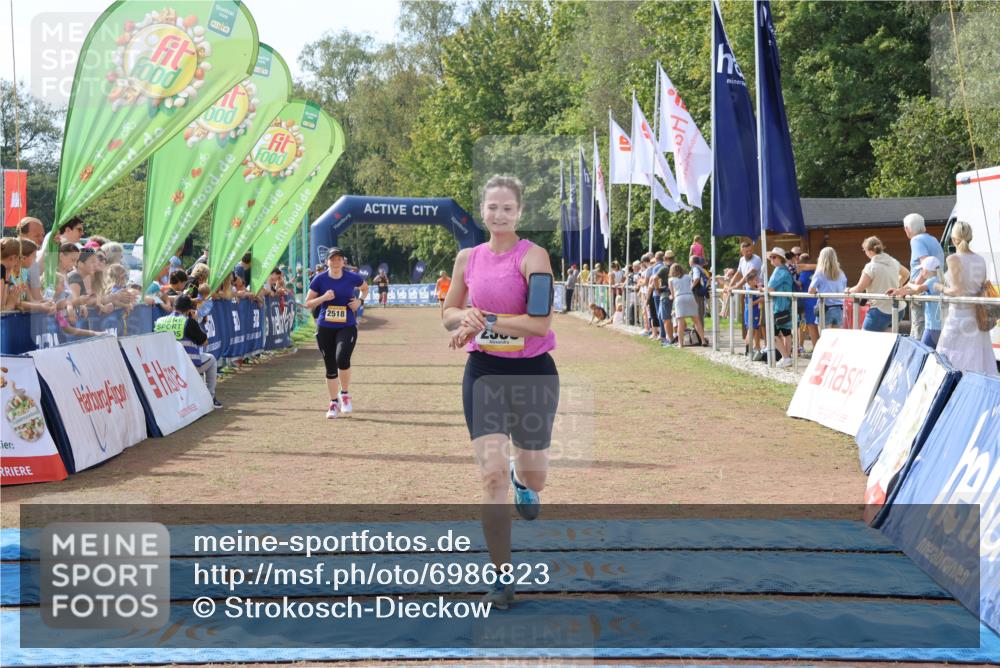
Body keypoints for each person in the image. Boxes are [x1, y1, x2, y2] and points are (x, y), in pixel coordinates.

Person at [441, 175, 557, 610]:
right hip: (484, 373)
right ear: (482, 210)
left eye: (508, 208)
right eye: (492, 207)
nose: (499, 214)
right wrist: (464, 320)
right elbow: (449, 313)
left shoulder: (535, 257)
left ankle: (522, 481)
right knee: (488, 476)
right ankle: (502, 578)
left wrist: (485, 319)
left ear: (519, 213)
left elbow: (539, 324)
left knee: (535, 475)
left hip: (533, 374)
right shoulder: (467, 258)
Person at [304, 247, 369, 418]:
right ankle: (333, 403)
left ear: (343, 262)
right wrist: (324, 298)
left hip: (346, 325)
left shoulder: (351, 277)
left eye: (339, 259)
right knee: (330, 365)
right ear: (327, 262)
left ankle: (345, 394)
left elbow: (365, 288)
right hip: (325, 326)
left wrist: (359, 301)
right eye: (332, 259)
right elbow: (308, 303)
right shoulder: (320, 279)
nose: (336, 262)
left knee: (342, 358)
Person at [932, 221, 997, 376]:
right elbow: (981, 287)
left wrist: (939, 287)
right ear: (970, 237)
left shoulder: (953, 259)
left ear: (953, 238)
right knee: (978, 360)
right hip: (978, 316)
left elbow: (957, 291)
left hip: (959, 317)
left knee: (950, 359)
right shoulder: (980, 259)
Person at [154, 294, 223, 408]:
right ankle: (210, 397)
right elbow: (204, 342)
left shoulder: (159, 321)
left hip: (164, 367)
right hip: (186, 365)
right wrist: (195, 321)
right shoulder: (188, 321)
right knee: (211, 359)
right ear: (189, 310)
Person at [845, 236, 909, 332]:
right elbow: (906, 273)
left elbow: (859, 289)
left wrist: (848, 290)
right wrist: (897, 285)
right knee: (888, 342)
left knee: (865, 339)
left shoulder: (871, 267)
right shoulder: (893, 261)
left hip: (879, 310)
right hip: (898, 309)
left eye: (865, 251)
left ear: (870, 251)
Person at [903, 213, 945, 341]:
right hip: (933, 289)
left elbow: (926, 265)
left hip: (922, 293)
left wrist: (913, 287)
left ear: (907, 229)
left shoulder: (916, 240)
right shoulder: (933, 239)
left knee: (918, 330)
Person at [890, 256, 943, 348]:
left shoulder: (932, 280)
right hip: (935, 325)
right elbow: (915, 291)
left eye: (922, 269)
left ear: (926, 270)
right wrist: (899, 291)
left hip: (932, 326)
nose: (921, 272)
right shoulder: (939, 279)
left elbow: (918, 288)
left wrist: (910, 283)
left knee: (924, 352)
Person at [765, 247, 795, 368]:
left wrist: (762, 288)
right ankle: (786, 358)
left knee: (773, 333)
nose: (771, 259)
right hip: (785, 305)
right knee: (787, 333)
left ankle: (786, 357)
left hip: (779, 306)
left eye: (774, 256)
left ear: (781, 259)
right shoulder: (785, 270)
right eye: (771, 257)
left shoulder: (779, 271)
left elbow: (770, 287)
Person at [808, 247, 848, 329]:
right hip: (839, 308)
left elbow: (811, 290)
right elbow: (844, 289)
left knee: (825, 338)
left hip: (825, 308)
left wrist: (817, 291)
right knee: (836, 338)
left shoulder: (819, 273)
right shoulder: (841, 273)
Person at [669, 263, 705, 347]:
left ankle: (680, 343)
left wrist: (671, 297)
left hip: (679, 298)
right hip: (690, 296)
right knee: (696, 321)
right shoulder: (688, 277)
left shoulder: (671, 280)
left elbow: (672, 294)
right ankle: (703, 340)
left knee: (680, 322)